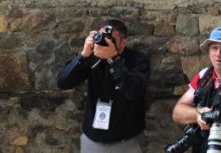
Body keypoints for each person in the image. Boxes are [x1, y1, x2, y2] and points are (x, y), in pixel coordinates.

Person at [56, 19, 151, 152]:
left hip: (127, 140)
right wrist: (83, 56)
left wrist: (113, 60)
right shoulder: (91, 57)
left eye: (111, 39)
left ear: (124, 42)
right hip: (93, 140)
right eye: (102, 37)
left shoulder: (138, 60)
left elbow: (134, 91)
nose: (105, 42)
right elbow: (62, 82)